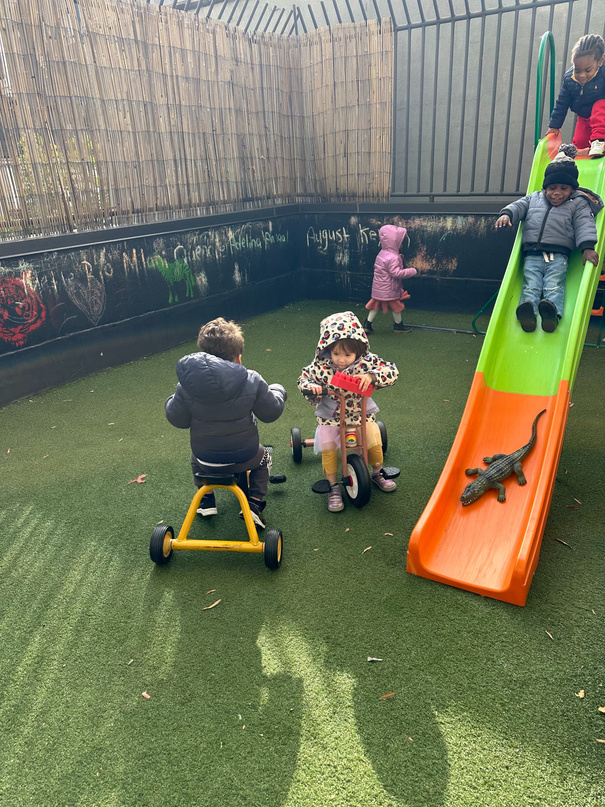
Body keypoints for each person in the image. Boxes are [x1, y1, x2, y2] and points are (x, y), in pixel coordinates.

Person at [164, 317, 286, 529]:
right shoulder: (251, 379)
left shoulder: (187, 386)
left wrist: (171, 401)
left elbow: (178, 419)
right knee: (264, 458)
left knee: (194, 458)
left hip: (206, 459)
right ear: (238, 358)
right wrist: (278, 391)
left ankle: (206, 499)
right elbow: (270, 413)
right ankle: (254, 504)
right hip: (245, 457)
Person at [297, 311, 399, 513]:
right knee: (329, 449)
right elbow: (303, 379)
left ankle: (377, 473)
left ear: (358, 350)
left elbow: (391, 371)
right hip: (331, 417)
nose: (341, 360)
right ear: (327, 349)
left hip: (361, 413)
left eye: (347, 355)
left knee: (374, 442)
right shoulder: (321, 366)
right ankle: (332, 486)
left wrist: (371, 376)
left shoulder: (367, 362)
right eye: (336, 354)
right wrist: (312, 387)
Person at [495, 150, 602, 333]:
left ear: (572, 189)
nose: (556, 193)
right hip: (532, 254)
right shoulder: (534, 198)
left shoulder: (578, 203)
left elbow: (584, 223)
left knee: (554, 284)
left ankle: (552, 314)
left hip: (558, 255)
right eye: (552, 188)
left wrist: (587, 247)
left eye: (563, 188)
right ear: (545, 188)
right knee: (531, 284)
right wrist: (507, 214)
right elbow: (519, 205)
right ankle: (528, 313)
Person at [546, 34, 605, 158]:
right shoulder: (570, 79)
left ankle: (599, 141)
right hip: (584, 118)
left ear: (600, 61)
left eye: (587, 70)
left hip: (602, 117)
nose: (582, 75)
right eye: (577, 70)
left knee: (600, 105)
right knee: (579, 144)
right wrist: (555, 126)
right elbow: (562, 102)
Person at [363, 224, 417, 334]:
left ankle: (367, 324)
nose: (401, 244)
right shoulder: (393, 257)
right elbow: (396, 273)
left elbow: (385, 265)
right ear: (394, 242)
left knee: (375, 305)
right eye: (400, 241)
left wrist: (398, 258)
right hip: (389, 289)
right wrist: (412, 271)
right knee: (397, 306)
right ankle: (398, 326)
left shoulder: (382, 253)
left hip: (379, 288)